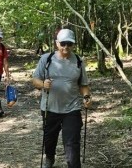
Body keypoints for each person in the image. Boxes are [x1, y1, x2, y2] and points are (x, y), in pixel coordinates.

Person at [32, 29, 92, 168]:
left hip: (72, 108)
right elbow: (35, 81)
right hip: (49, 107)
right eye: (63, 43)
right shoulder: (46, 59)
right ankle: (50, 158)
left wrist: (87, 96)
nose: (66, 47)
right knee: (50, 138)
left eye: (69, 44)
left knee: (72, 142)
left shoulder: (78, 61)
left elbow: (83, 85)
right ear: (57, 43)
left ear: (73, 45)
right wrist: (43, 84)